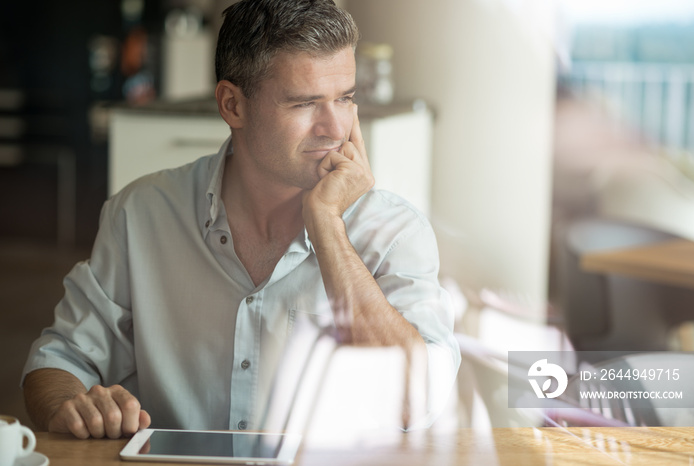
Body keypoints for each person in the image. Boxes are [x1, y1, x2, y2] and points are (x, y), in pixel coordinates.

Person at [22, 0, 460, 439]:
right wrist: (70, 407)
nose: (334, 128)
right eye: (305, 103)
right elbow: (58, 361)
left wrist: (328, 226)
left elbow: (414, 402)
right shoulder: (140, 215)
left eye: (345, 98)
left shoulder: (395, 232)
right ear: (232, 105)